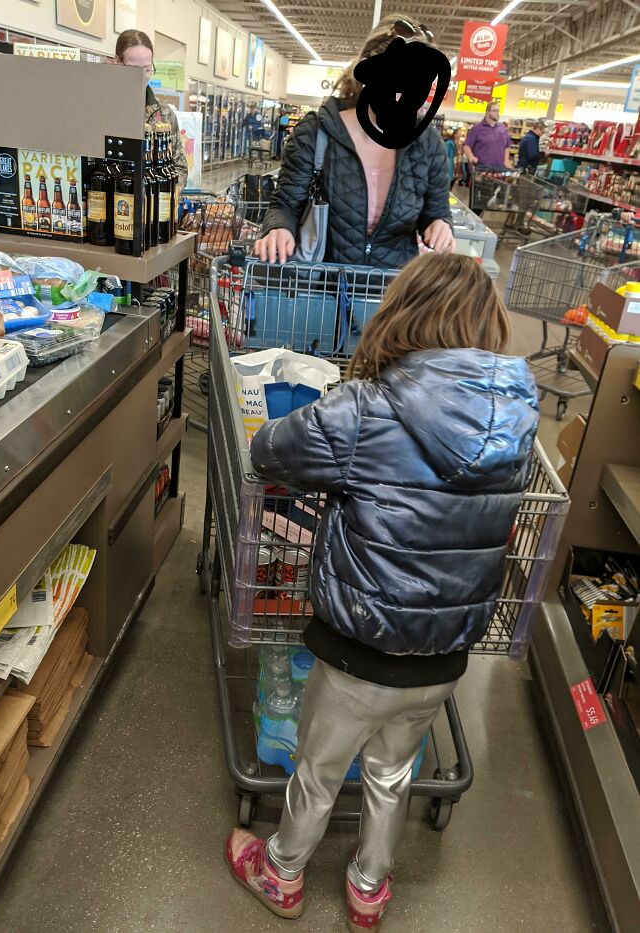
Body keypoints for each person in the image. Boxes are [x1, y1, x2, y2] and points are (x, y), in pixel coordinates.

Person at [225, 252, 539, 930]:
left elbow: (271, 451)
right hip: (445, 651)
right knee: (393, 771)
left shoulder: (366, 409)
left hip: (362, 647)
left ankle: (281, 873)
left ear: (404, 313)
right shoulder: (515, 416)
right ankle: (369, 885)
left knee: (318, 769)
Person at [255, 18, 454, 266]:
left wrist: (440, 225)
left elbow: (436, 210)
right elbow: (285, 203)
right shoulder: (317, 133)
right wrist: (279, 228)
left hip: (391, 289)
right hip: (321, 285)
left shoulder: (427, 143)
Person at [114, 29, 188, 190]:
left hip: (153, 208)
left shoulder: (165, 115)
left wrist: (162, 194)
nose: (143, 76)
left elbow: (180, 168)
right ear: (118, 62)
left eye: (147, 68)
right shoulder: (103, 109)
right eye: (134, 69)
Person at [463, 101, 512, 171]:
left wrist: (506, 161)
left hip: (499, 170)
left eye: (498, 111)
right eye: (494, 111)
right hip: (481, 169)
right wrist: (471, 157)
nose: (497, 113)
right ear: (487, 112)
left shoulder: (502, 128)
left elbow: (507, 146)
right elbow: (466, 146)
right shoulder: (477, 128)